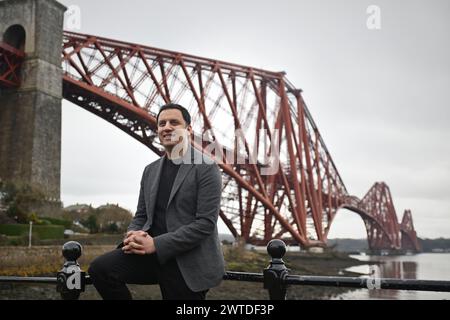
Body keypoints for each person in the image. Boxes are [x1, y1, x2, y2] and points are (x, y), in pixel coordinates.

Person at [88, 103, 225, 300]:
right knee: (101, 269)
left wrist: (156, 244)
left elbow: (205, 224)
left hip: (187, 260)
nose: (167, 127)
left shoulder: (206, 167)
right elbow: (142, 215)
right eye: (162, 123)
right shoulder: (150, 170)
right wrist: (133, 234)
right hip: (151, 255)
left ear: (188, 130)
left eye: (174, 122)